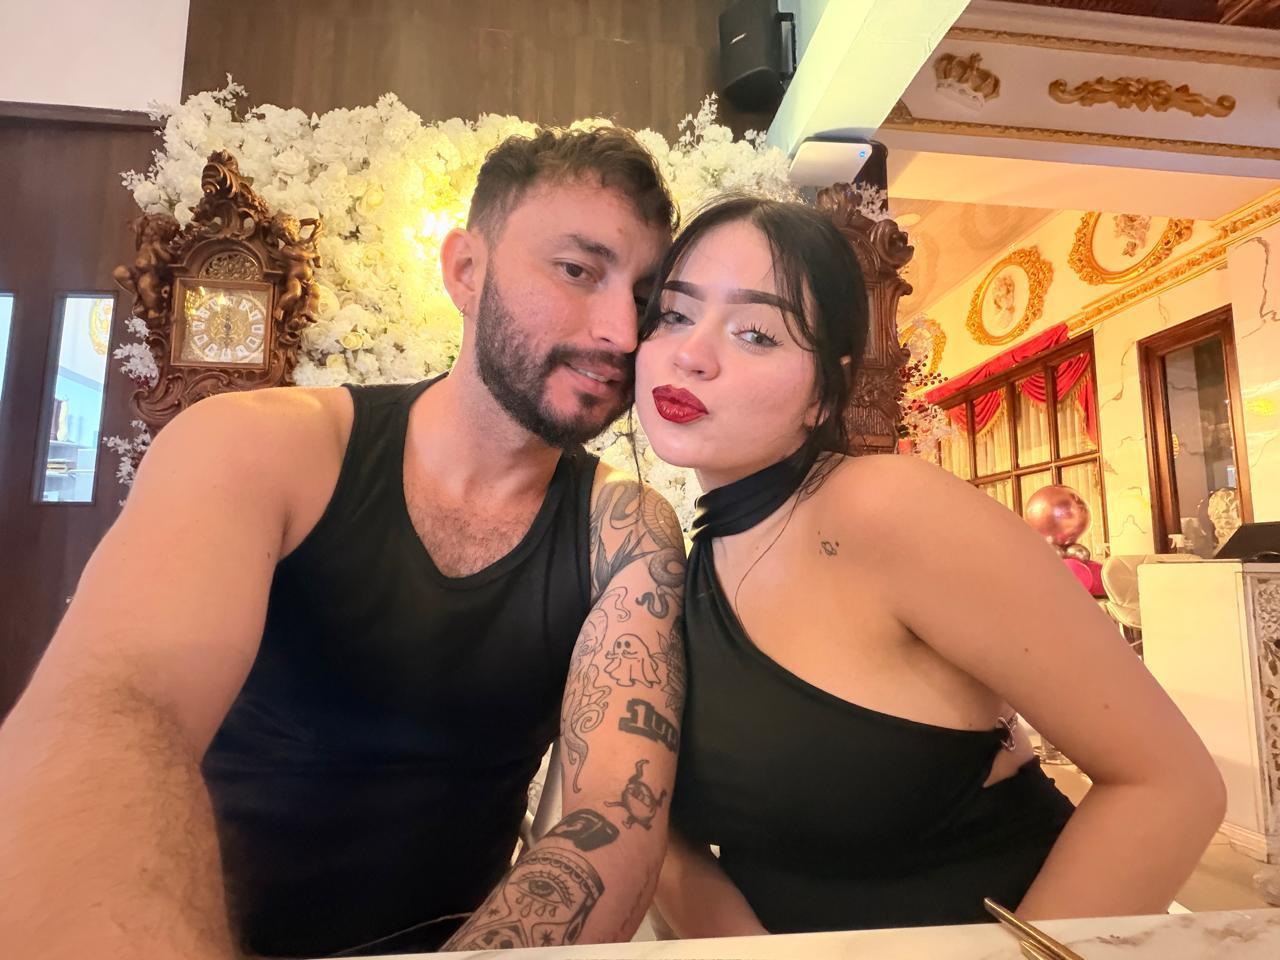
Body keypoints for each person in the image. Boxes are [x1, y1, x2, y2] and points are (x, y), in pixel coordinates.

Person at [0, 127, 688, 959]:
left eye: (645, 297)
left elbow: (613, 817)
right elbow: (121, 712)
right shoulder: (256, 447)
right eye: (578, 270)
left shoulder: (628, 532)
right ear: (466, 270)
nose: (623, 332)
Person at [633, 196, 1226, 937]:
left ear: (823, 393)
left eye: (756, 333)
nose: (691, 353)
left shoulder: (885, 509)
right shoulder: (684, 560)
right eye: (674, 315)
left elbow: (1170, 785)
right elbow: (661, 827)